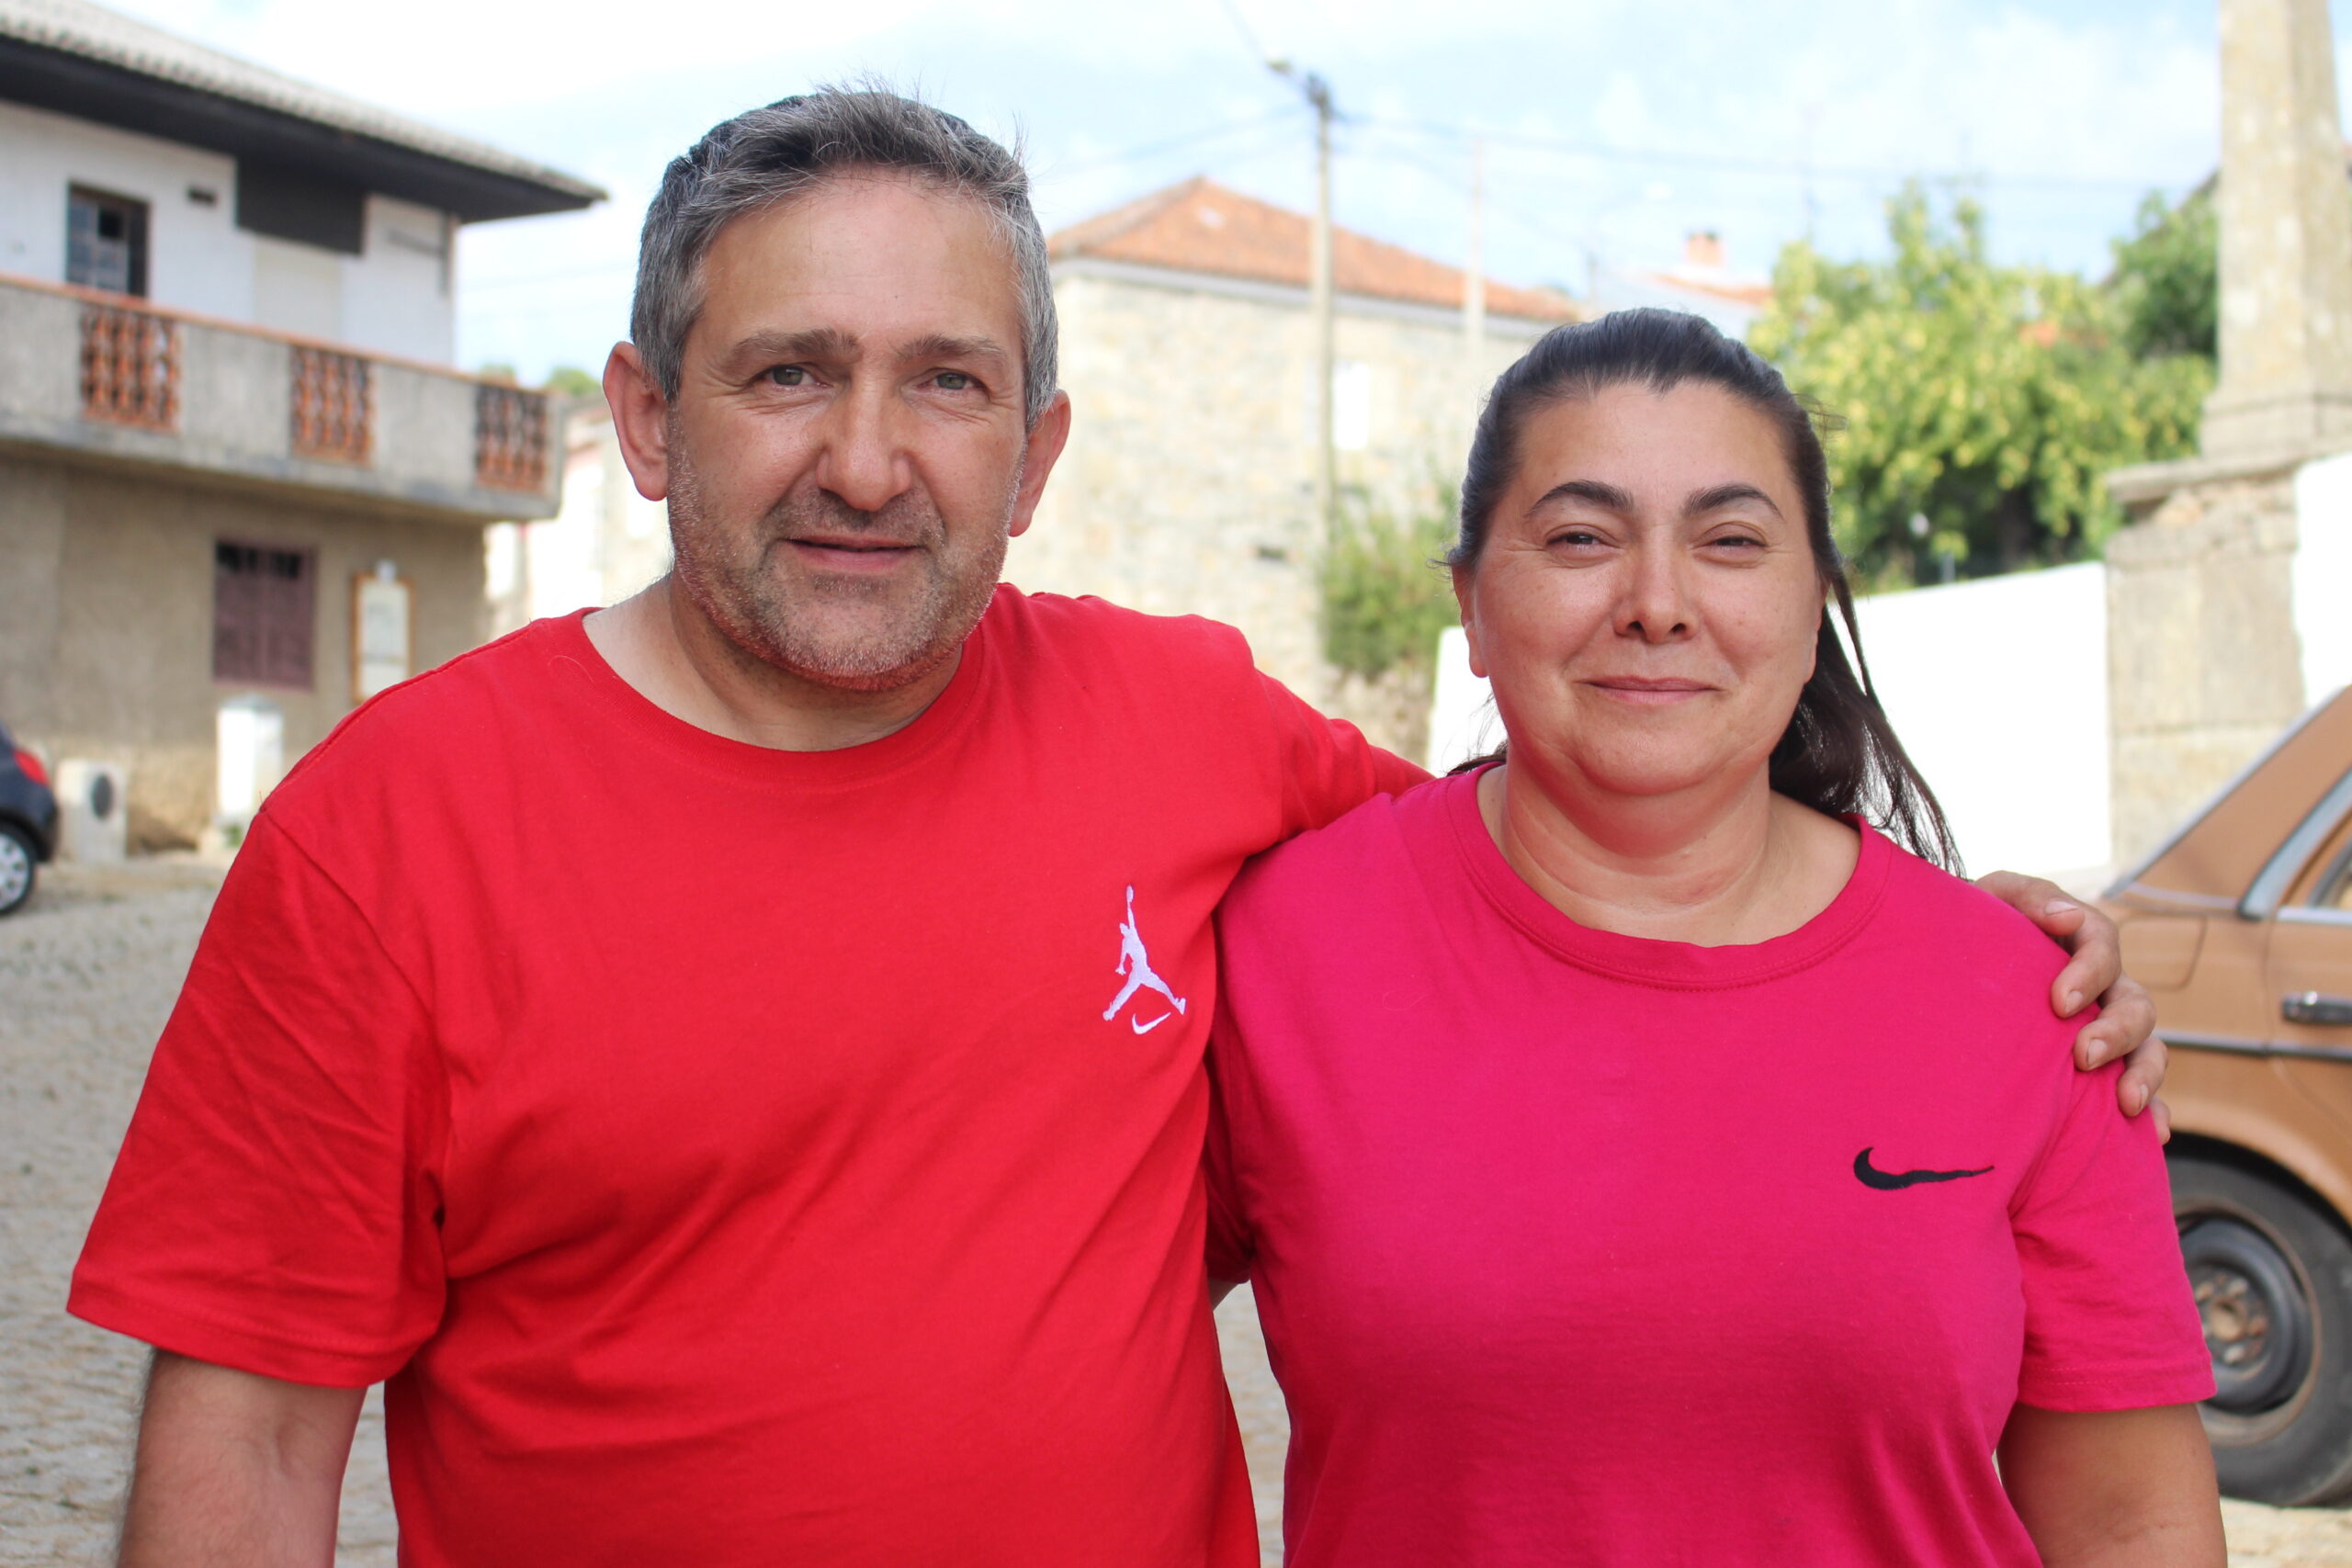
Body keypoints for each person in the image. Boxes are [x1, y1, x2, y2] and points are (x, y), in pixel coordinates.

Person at [69, 93, 2160, 1568]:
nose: (868, 461)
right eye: (788, 372)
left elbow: (1569, 864)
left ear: (1038, 446)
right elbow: (245, 1437)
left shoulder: (1180, 724)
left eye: (947, 384)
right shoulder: (384, 835)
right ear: (642, 416)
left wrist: (1944, 947)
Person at [1204, 309, 2222, 1568]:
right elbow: (1048, 1326)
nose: (1658, 604)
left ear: (1814, 611)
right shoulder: (1280, 951)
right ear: (1470, 601)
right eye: (1582, 537)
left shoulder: (2030, 1003)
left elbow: (2131, 1524)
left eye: (1730, 542)